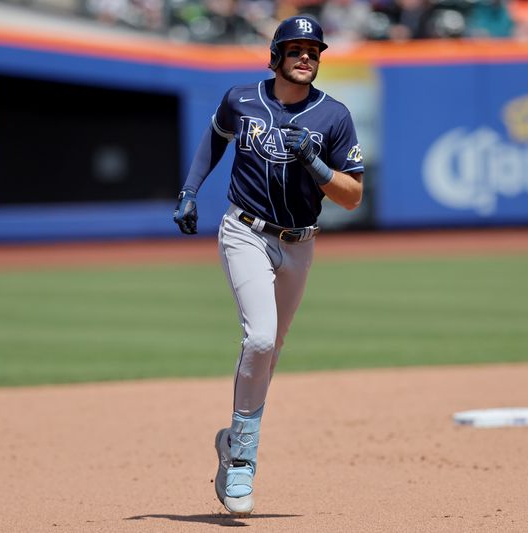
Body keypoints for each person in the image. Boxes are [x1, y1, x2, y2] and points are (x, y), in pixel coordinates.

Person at [172, 15, 364, 515]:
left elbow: (353, 196)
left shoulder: (334, 116)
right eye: (296, 48)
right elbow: (215, 138)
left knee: (272, 348)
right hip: (245, 230)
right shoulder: (242, 99)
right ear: (275, 55)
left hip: (300, 242)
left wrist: (319, 166)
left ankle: (230, 439)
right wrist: (191, 190)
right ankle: (242, 462)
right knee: (258, 338)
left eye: (314, 50)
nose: (307, 57)